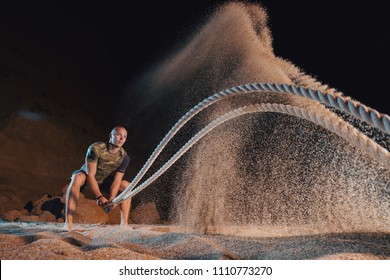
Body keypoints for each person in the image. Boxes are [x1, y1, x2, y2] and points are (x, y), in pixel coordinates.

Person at [63, 126, 131, 230]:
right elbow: (91, 175)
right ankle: (68, 223)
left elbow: (117, 181)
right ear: (110, 136)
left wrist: (113, 199)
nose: (121, 139)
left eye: (124, 137)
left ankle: (124, 225)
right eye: (118, 135)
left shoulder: (124, 157)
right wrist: (99, 197)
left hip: (103, 179)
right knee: (76, 177)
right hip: (86, 176)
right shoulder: (95, 148)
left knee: (126, 185)